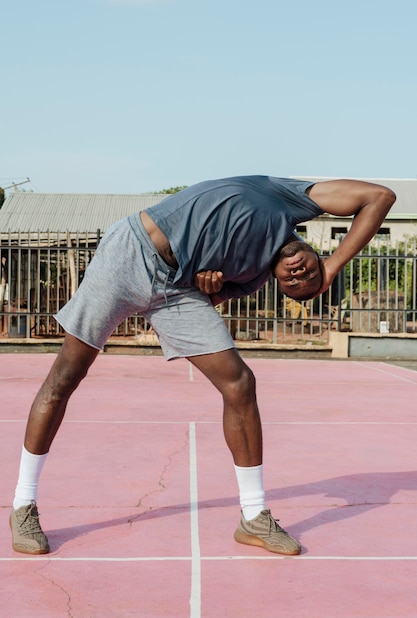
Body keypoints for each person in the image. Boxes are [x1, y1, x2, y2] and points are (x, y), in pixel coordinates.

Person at [9, 175, 395, 556]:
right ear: (314, 252)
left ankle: (254, 516)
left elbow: (208, 297)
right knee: (66, 376)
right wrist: (330, 271)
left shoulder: (251, 278)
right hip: (129, 255)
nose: (301, 274)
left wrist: (209, 287)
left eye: (298, 284)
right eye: (309, 271)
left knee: (240, 383)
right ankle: (22, 506)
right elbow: (379, 196)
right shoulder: (290, 199)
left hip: (176, 289)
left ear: (275, 282)